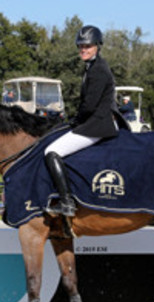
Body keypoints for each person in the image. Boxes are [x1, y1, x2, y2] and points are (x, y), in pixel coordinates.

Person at [43, 25, 126, 217]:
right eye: (80, 46)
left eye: (87, 46)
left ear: (97, 46)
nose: (83, 49)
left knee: (52, 151)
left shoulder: (98, 70)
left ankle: (66, 203)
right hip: (95, 122)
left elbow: (89, 105)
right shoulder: (93, 67)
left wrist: (74, 121)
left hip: (97, 125)